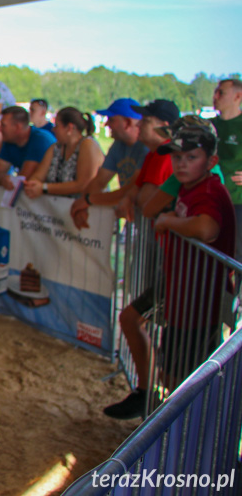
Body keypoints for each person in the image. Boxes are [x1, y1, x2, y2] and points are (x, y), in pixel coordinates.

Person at [104, 123, 235, 418]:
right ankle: (148, 395)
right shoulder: (191, 187)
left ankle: (181, 432)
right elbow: (158, 210)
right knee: (133, 321)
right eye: (177, 158)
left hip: (198, 293)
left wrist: (169, 222)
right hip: (178, 282)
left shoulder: (210, 189)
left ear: (211, 162)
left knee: (182, 377)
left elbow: (206, 227)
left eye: (191, 157)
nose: (182, 164)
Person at [69, 98, 147, 229]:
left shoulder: (145, 148)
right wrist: (83, 204)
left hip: (148, 220)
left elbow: (129, 190)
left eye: (111, 120)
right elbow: (99, 181)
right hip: (135, 219)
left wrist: (88, 200)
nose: (106, 125)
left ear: (127, 123)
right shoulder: (118, 146)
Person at [23, 106, 104, 198]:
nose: (54, 129)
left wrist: (44, 187)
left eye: (57, 125)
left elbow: (83, 184)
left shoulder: (88, 145)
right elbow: (38, 175)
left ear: (69, 128)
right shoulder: (55, 148)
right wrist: (33, 184)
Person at [0, 105, 56, 190]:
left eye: (3, 125)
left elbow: (23, 178)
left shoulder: (40, 140)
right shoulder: (10, 140)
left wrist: (5, 180)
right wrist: (3, 180)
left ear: (17, 127)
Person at [209, 78, 242, 261]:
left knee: (236, 254)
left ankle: (235, 290)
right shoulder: (209, 125)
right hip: (210, 199)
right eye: (215, 91)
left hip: (237, 200)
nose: (215, 96)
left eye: (221, 92)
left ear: (238, 96)